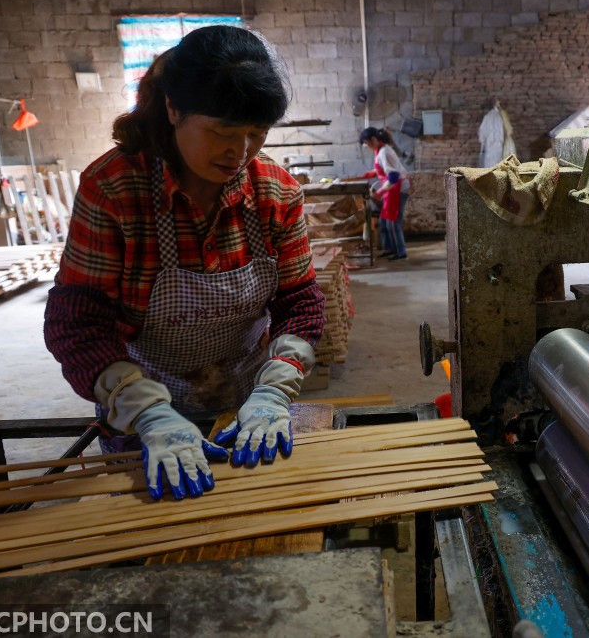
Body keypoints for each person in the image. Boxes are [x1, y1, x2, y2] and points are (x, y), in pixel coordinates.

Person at [43, 25, 326, 502]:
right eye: (222, 132)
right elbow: (78, 325)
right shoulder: (114, 190)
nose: (240, 153)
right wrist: (148, 413)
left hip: (244, 408)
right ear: (173, 109)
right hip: (142, 416)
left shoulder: (274, 192)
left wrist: (274, 390)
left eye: (256, 135)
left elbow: (299, 302)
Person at [358, 127, 409, 260]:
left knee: (393, 222)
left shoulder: (385, 152)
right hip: (391, 189)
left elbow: (393, 176)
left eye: (367, 143)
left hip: (397, 188)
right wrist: (369, 174)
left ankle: (400, 252)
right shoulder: (379, 150)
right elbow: (383, 169)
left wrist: (380, 192)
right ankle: (389, 249)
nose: (367, 146)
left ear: (373, 140)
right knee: (384, 220)